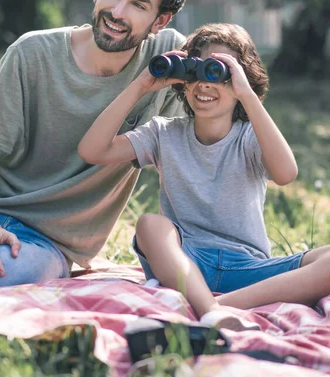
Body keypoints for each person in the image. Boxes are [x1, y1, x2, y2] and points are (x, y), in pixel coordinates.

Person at [0, 0, 191, 293]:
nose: (117, 11)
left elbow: (190, 157)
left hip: (48, 239)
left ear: (159, 21)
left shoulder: (165, 60)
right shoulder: (32, 52)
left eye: (138, 5)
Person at [78, 22, 330, 330]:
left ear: (241, 81)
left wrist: (247, 95)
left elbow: (286, 174)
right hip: (183, 259)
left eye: (218, 72)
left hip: (248, 267)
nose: (204, 84)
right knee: (150, 225)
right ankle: (208, 307)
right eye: (194, 72)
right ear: (183, 80)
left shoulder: (251, 136)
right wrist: (140, 85)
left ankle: (211, 306)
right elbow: (92, 151)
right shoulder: (164, 133)